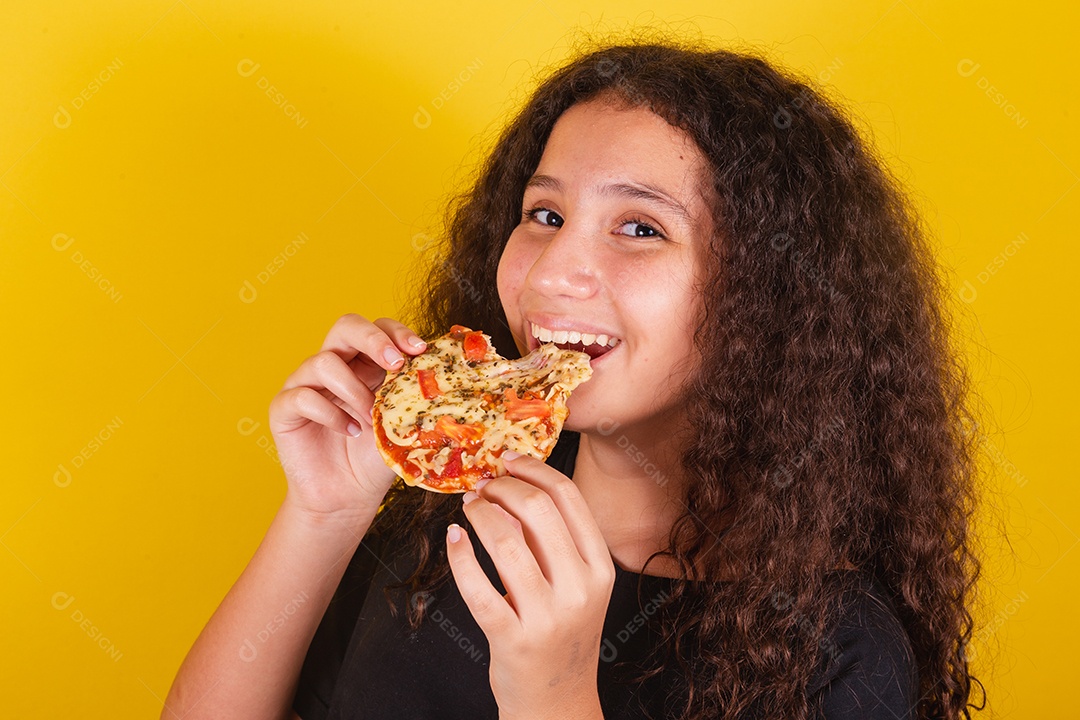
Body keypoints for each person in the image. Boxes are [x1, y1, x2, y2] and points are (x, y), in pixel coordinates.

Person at [163, 39, 984, 720]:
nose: (556, 270)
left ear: (770, 293)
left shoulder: (836, 649)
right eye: (545, 215)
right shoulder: (438, 522)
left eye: (639, 227)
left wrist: (551, 692)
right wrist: (323, 515)